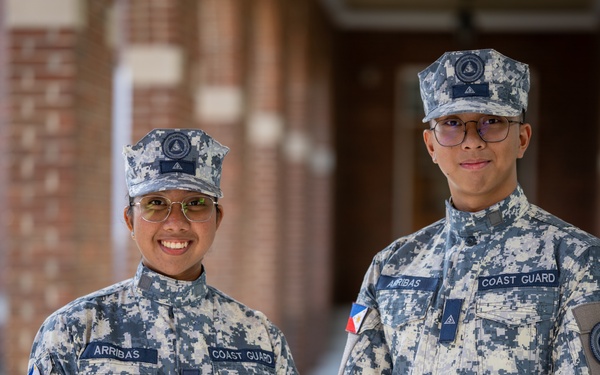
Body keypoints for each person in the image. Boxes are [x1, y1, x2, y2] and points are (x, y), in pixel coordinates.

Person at [337, 49, 600, 374]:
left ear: (522, 138)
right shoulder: (390, 267)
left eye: (492, 122)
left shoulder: (579, 261)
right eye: (451, 124)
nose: (472, 141)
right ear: (431, 145)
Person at [28, 128, 299, 374]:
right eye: (155, 203)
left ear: (217, 219)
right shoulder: (74, 330)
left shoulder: (261, 339)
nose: (176, 223)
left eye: (195, 203)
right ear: (129, 220)